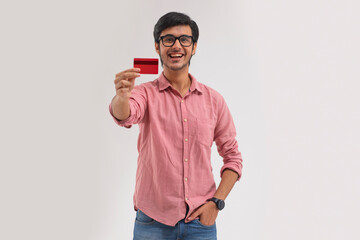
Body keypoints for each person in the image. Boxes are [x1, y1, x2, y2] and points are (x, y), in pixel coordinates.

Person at [109, 12, 243, 240]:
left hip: (200, 223)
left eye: (184, 39)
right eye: (168, 39)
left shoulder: (214, 100)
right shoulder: (144, 93)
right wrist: (121, 97)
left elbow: (233, 158)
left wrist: (216, 203)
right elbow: (126, 114)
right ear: (157, 47)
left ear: (194, 47)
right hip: (152, 222)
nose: (176, 46)